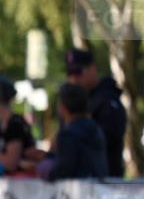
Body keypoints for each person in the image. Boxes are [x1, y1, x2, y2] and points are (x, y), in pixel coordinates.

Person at [66, 48, 128, 178]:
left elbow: (104, 141)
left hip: (106, 183)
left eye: (78, 72)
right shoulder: (77, 100)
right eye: (70, 73)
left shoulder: (107, 101)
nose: (73, 78)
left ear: (92, 68)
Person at [39, 83, 109, 181]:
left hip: (80, 192)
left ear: (62, 107)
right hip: (98, 189)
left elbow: (63, 171)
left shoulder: (68, 135)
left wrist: (44, 167)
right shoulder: (96, 129)